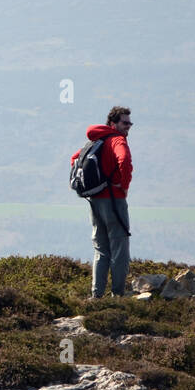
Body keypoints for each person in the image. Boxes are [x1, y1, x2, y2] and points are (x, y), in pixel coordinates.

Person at [72, 106, 133, 297]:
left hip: (94, 200)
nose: (128, 126)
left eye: (130, 123)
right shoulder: (117, 140)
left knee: (101, 249)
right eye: (125, 122)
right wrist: (124, 186)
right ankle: (118, 295)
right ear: (113, 124)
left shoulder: (97, 140)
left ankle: (96, 296)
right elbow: (124, 161)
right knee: (119, 248)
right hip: (114, 201)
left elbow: (74, 158)